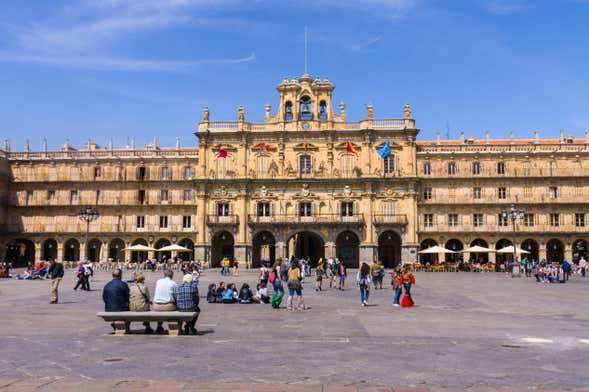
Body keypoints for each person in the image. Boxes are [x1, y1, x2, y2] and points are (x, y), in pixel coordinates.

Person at [153, 269, 178, 334]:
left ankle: (159, 326)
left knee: (160, 310)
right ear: (172, 276)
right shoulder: (173, 283)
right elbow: (176, 296)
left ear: (164, 275)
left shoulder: (158, 281)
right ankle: (174, 326)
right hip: (168, 306)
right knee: (176, 306)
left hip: (156, 306)